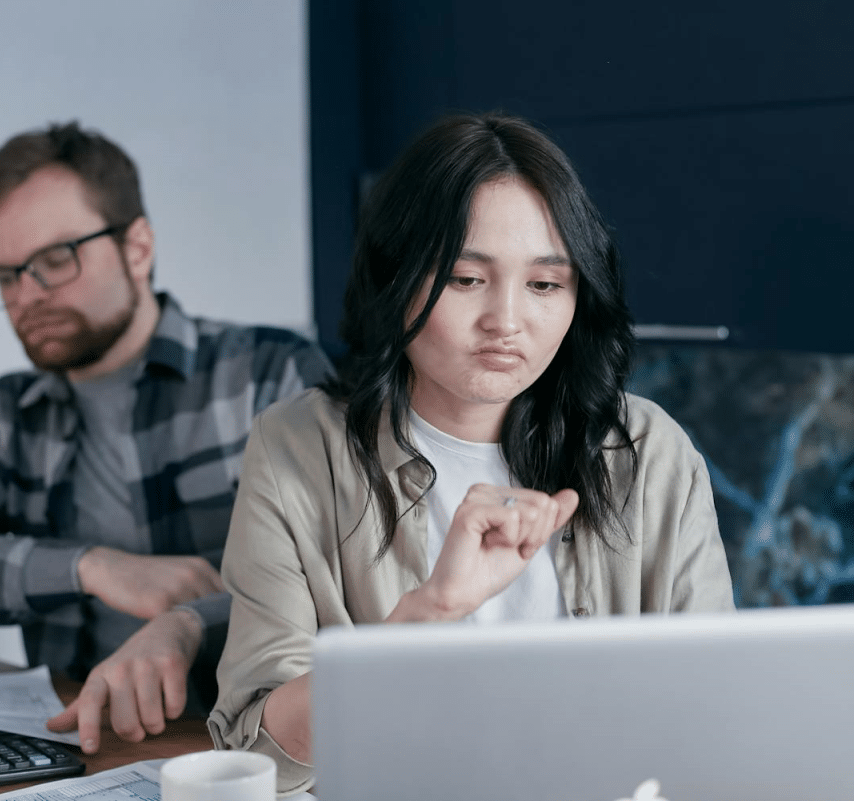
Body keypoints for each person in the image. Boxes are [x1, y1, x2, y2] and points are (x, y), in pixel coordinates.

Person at [207, 112, 735, 794]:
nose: (506, 321)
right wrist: (425, 615)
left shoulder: (649, 451)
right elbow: (258, 751)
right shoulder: (295, 449)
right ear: (394, 277)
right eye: (465, 278)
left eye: (545, 284)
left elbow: (716, 717)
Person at [0, 121, 334, 755]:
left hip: (249, 752)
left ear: (137, 246)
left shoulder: (269, 372)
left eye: (55, 260)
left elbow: (336, 583)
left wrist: (190, 622)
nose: (25, 296)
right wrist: (91, 567)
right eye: (4, 276)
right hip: (83, 749)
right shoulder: (11, 413)